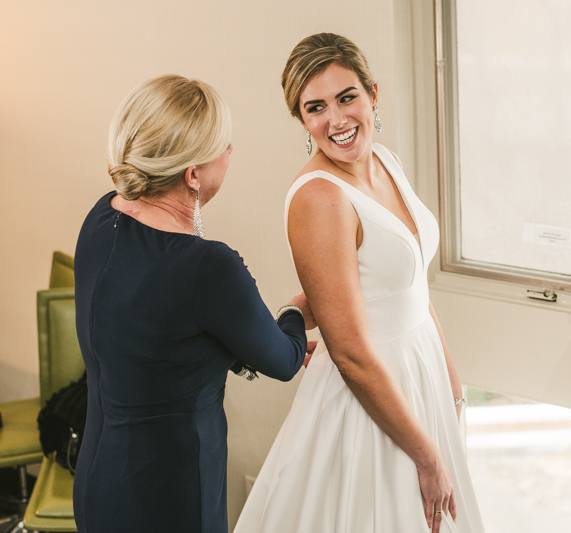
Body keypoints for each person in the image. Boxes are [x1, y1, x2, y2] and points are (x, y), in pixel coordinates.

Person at [234, 34, 484, 533]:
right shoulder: (319, 198)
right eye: (316, 108)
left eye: (347, 97)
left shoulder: (385, 161)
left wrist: (453, 389)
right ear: (302, 120)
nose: (337, 120)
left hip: (421, 372)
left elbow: (411, 285)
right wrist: (427, 456)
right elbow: (348, 351)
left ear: (373, 93)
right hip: (370, 392)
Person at [73, 75, 316, 533]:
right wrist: (296, 310)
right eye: (225, 145)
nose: (230, 152)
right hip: (170, 492)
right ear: (193, 175)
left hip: (98, 480)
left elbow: (158, 335)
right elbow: (284, 360)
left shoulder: (101, 216)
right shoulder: (207, 266)